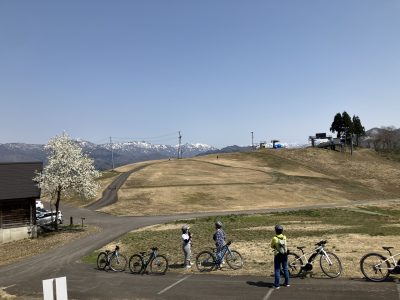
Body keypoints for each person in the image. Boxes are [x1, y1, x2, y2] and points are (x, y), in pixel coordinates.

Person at [270, 224, 290, 289]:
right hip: (284, 254)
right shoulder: (284, 237)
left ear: (276, 231)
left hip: (278, 255)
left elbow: (272, 246)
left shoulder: (274, 238)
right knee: (285, 269)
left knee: (277, 270)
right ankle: (287, 283)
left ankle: (277, 285)